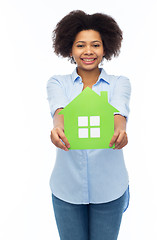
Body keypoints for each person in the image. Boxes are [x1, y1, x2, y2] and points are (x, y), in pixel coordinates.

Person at [46, 10, 131, 240]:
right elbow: (59, 110)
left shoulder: (119, 83)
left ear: (105, 49)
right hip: (67, 188)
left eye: (95, 45)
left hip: (110, 188)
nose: (88, 51)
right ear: (70, 49)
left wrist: (120, 130)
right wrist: (58, 129)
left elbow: (119, 112)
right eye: (80, 45)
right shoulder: (58, 83)